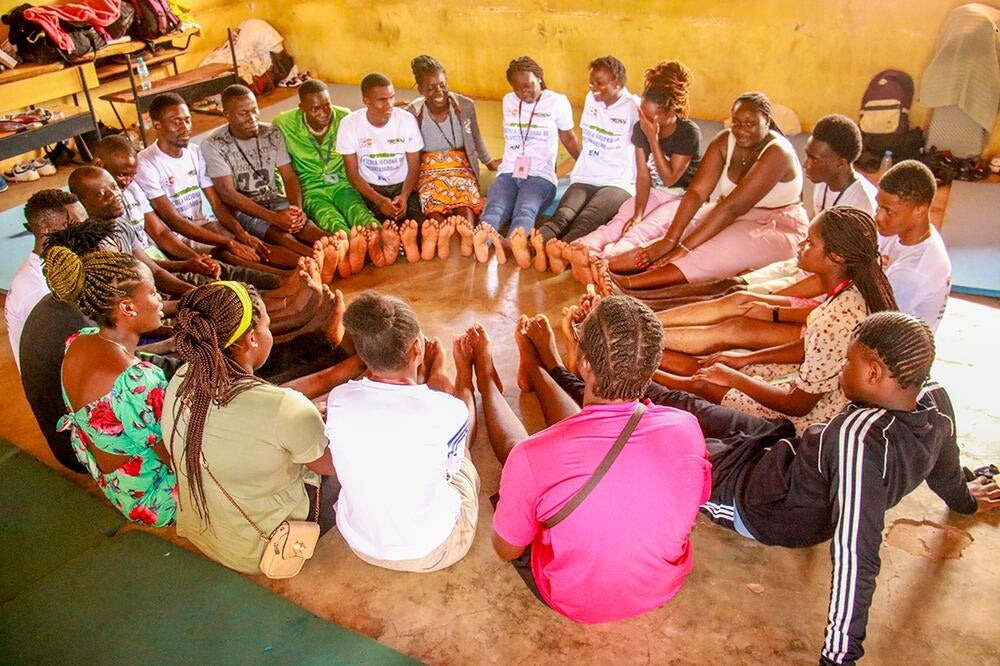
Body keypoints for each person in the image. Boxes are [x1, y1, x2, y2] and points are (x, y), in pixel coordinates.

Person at [696, 312, 999, 665]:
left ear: (873, 373)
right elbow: (945, 469)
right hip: (780, 453)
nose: (842, 368)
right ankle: (630, 379)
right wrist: (965, 501)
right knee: (695, 408)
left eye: (847, 361)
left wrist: (839, 658)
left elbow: (856, 553)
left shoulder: (858, 440)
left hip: (754, 501)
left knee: (667, 447)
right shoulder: (933, 397)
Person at [471, 296, 709, 623]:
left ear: (583, 363)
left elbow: (506, 549)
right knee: (584, 437)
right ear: (654, 367)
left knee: (521, 450)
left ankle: (487, 383)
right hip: (660, 586)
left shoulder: (531, 457)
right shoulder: (687, 429)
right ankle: (537, 372)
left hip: (574, 598)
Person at [162, 282, 358, 573]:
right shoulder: (282, 408)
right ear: (252, 339)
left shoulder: (182, 379)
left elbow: (254, 420)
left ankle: (342, 374)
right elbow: (337, 465)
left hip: (208, 534)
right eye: (266, 325)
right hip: (263, 549)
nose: (269, 334)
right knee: (359, 464)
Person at [652, 206, 897, 435]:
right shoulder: (854, 290)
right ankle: (642, 346)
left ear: (836, 257)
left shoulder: (836, 317)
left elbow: (798, 406)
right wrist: (746, 359)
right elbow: (813, 348)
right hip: (813, 388)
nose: (801, 245)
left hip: (814, 417)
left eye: (810, 242)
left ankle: (639, 369)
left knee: (704, 384)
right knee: (715, 366)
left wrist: (735, 378)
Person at [325, 292, 479, 572]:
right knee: (462, 455)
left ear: (363, 353)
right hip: (432, 549)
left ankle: (421, 380)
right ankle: (452, 374)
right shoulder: (448, 412)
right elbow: (450, 470)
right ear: (416, 348)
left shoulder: (339, 399)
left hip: (361, 543)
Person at [602, 92, 808, 290]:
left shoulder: (777, 153)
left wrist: (682, 249)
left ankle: (626, 285)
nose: (742, 130)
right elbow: (697, 193)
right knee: (668, 239)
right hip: (729, 211)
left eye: (750, 124)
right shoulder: (724, 140)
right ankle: (604, 266)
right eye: (736, 122)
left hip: (779, 225)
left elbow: (732, 208)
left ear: (767, 121)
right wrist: (671, 241)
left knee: (707, 255)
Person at [45, 243, 176, 526]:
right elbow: (174, 456)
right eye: (153, 292)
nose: (161, 299)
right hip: (152, 496)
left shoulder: (80, 340)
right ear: (127, 307)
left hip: (114, 484)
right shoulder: (137, 381)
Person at [564, 61, 700, 277]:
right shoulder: (641, 128)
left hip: (681, 198)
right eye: (642, 114)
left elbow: (670, 179)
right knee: (621, 221)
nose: (643, 120)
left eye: (650, 116)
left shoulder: (688, 132)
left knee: (641, 232)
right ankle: (579, 249)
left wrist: (652, 139)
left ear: (668, 112)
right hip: (654, 191)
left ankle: (604, 263)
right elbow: (644, 176)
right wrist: (637, 213)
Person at [134, 93, 296, 272]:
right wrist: (228, 242)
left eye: (187, 120)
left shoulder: (194, 152)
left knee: (254, 245)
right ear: (157, 125)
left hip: (203, 223)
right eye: (176, 121)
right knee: (226, 253)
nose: (185, 127)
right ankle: (287, 278)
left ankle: (307, 263)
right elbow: (173, 220)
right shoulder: (146, 163)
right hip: (177, 236)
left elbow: (217, 205)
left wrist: (243, 235)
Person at [530, 56, 639, 272]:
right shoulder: (592, 99)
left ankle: (559, 253)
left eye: (600, 83)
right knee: (562, 216)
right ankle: (532, 247)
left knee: (586, 220)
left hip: (617, 183)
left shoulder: (633, 107)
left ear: (617, 82)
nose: (593, 88)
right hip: (585, 176)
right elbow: (585, 143)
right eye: (592, 83)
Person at [202, 84, 330, 259]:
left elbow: (289, 176)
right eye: (244, 113)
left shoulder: (271, 133)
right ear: (227, 115)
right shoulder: (214, 144)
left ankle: (338, 247)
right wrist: (273, 217)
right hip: (243, 209)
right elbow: (227, 194)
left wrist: (296, 210)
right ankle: (318, 259)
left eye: (255, 110)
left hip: (273, 200)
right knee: (282, 237)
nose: (252, 118)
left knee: (308, 228)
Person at [481, 56, 581, 268]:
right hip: (509, 171)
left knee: (525, 209)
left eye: (528, 85)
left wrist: (584, 163)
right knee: (495, 208)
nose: (523, 92)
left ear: (540, 77)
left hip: (540, 176)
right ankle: (481, 242)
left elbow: (569, 137)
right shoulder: (509, 101)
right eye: (517, 88)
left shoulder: (557, 102)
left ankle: (512, 244)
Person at [406, 55, 499, 261]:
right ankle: (441, 234)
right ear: (420, 89)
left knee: (465, 203)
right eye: (430, 88)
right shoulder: (413, 111)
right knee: (433, 204)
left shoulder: (464, 105)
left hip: (460, 166)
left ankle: (467, 235)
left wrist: (490, 162)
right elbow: (405, 148)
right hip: (429, 169)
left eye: (442, 85)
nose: (438, 91)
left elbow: (476, 137)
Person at [272, 79, 379, 235]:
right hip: (310, 190)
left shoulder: (344, 118)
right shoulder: (283, 124)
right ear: (302, 108)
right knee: (331, 220)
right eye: (315, 109)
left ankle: (382, 239)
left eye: (327, 106)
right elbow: (276, 162)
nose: (324, 114)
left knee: (359, 213)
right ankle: (352, 245)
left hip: (343, 184)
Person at [6, 190, 86, 372]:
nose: (87, 231)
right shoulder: (39, 289)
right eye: (78, 225)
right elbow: (76, 354)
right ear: (47, 229)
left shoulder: (57, 266)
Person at [337, 73, 424, 225]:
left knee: (417, 226)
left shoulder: (407, 120)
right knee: (378, 229)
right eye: (382, 100)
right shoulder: (349, 124)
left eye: (392, 97)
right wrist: (379, 200)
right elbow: (352, 174)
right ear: (366, 101)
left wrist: (404, 196)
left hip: (403, 185)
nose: (390, 104)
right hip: (370, 189)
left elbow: (414, 165)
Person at [875, 160, 951, 331]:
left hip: (894, 348)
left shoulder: (912, 272)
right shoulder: (908, 231)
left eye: (888, 211)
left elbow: (879, 325)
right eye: (878, 206)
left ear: (920, 210)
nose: (878, 217)